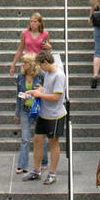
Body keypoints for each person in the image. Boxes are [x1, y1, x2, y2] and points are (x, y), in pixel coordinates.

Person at [25, 48, 67, 184]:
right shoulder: (48, 73)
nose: (40, 68)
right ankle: (36, 170)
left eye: (41, 65)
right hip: (44, 113)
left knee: (53, 142)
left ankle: (52, 173)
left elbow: (56, 96)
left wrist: (40, 94)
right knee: (37, 139)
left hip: (55, 115)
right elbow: (47, 89)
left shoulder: (59, 75)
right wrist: (38, 90)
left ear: (46, 62)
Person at [14, 52, 43, 174]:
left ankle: (44, 162)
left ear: (31, 64)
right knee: (25, 138)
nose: (23, 64)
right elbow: (18, 96)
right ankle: (22, 165)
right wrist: (17, 112)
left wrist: (40, 90)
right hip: (25, 109)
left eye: (25, 62)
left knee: (41, 138)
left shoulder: (41, 76)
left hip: (38, 109)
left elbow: (46, 90)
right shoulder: (20, 77)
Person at [9, 11, 51, 76]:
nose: (32, 23)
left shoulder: (45, 34)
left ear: (39, 23)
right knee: (26, 84)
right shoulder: (25, 33)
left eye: (35, 21)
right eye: (31, 21)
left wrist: (49, 48)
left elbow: (47, 53)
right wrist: (13, 65)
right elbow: (20, 50)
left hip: (38, 64)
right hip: (27, 63)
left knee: (38, 84)